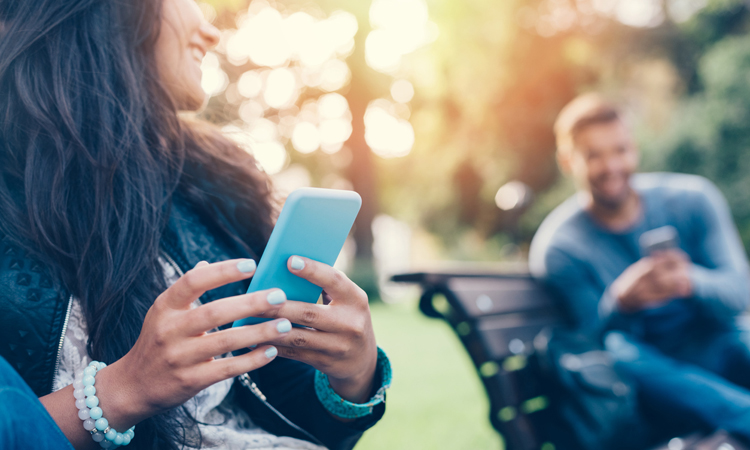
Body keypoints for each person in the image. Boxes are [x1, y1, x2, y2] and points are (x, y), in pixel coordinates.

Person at [0, 0, 391, 449]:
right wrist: (120, 391)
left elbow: (286, 409)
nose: (211, 31)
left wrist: (353, 379)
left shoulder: (214, 185)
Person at [529, 93, 750, 445]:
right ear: (567, 161)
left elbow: (740, 295)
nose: (611, 166)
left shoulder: (694, 199)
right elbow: (593, 345)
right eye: (594, 155)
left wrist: (689, 281)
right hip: (648, 388)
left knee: (741, 338)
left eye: (620, 150)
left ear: (635, 149)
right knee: (620, 348)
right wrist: (620, 302)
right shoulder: (561, 248)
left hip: (714, 349)